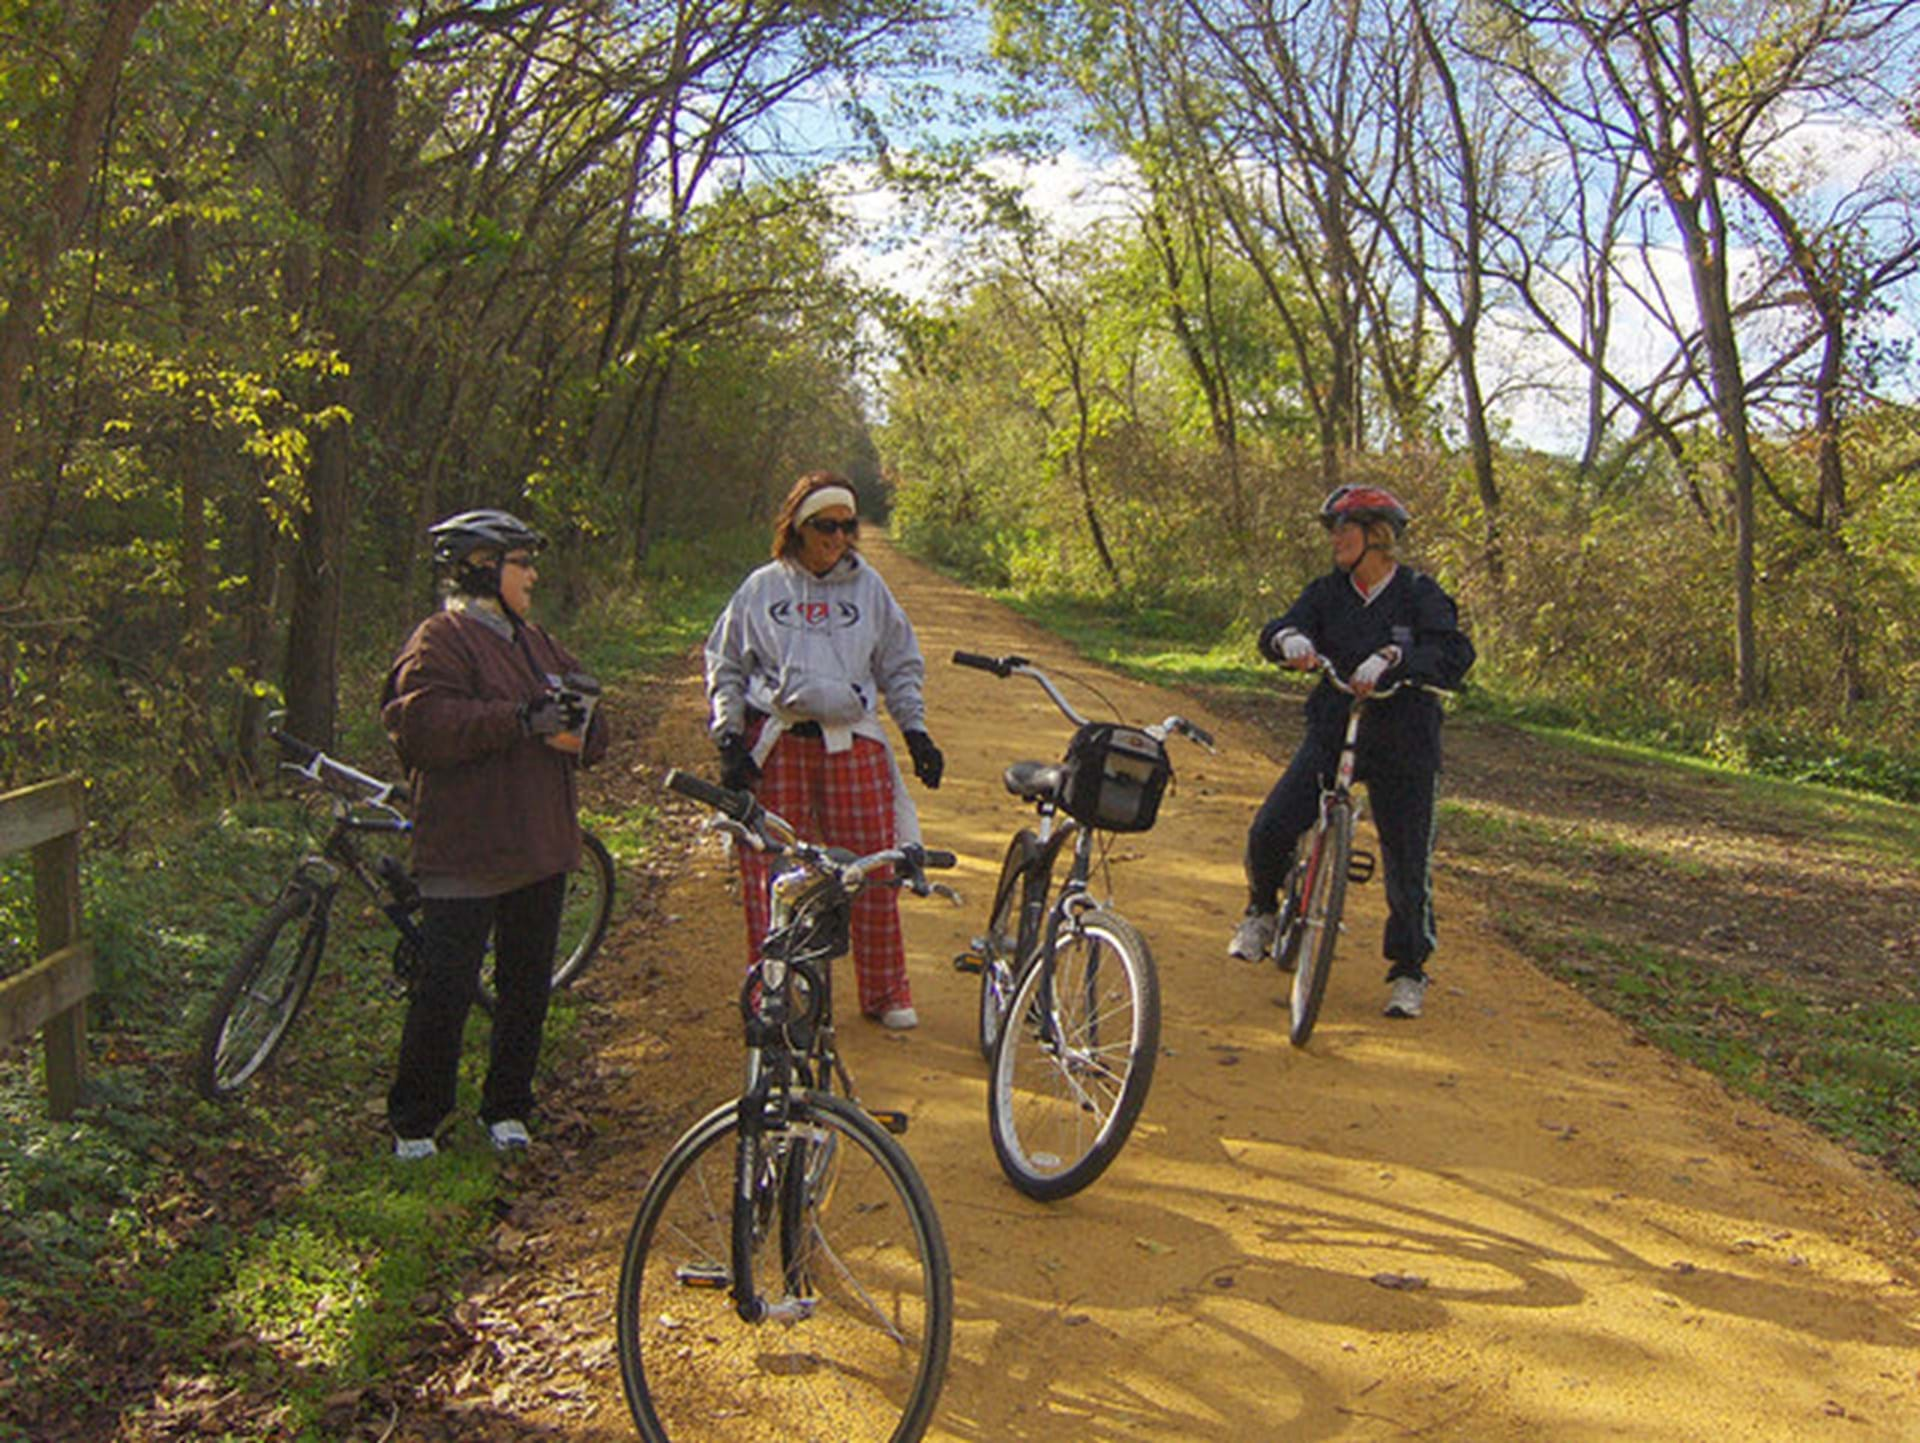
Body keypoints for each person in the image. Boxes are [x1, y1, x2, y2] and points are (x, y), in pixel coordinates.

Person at [380, 508, 609, 1159]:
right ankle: (417, 1120)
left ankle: (508, 1106)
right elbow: (423, 725)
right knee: (444, 988)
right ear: (482, 567)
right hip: (466, 851)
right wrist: (518, 718)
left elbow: (589, 724)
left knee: (525, 986)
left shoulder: (535, 642)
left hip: (538, 846)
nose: (533, 574)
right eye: (521, 562)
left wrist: (582, 723)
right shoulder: (440, 639)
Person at [704, 472, 943, 1030]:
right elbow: (725, 663)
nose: (837, 538)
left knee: (871, 868)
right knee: (772, 871)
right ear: (797, 528)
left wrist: (916, 732)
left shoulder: (869, 590)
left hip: (849, 741)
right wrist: (727, 736)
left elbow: (899, 663)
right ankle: (774, 989)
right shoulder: (762, 589)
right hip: (780, 742)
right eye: (825, 527)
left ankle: (885, 991)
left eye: (846, 526)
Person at [1230, 484, 1475, 1019]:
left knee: (1408, 864)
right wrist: (1287, 640)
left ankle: (1409, 970)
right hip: (1333, 729)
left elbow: (1453, 653)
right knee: (1270, 828)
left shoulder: (1419, 593)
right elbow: (1278, 627)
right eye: (1333, 529)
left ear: (1378, 535)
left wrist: (1394, 657)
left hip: (1404, 741)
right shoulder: (1327, 592)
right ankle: (1260, 912)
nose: (1336, 538)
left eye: (1346, 527)